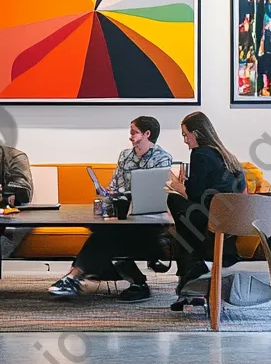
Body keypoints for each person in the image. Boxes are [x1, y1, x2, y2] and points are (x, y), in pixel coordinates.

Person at [48, 117, 173, 301]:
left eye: (134, 132)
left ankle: (75, 276)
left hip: (149, 220)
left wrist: (124, 194)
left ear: (147, 134)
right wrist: (110, 193)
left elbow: (156, 195)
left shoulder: (162, 158)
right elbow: (116, 185)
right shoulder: (125, 156)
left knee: (106, 235)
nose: (130, 137)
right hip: (123, 215)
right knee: (104, 230)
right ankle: (131, 281)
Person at [166, 111, 247, 302]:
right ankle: (192, 268)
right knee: (184, 227)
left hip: (212, 220)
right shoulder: (228, 156)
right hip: (233, 223)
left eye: (186, 135)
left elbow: (194, 195)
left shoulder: (200, 153)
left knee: (173, 200)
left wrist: (178, 186)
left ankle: (193, 268)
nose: (185, 140)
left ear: (197, 133)